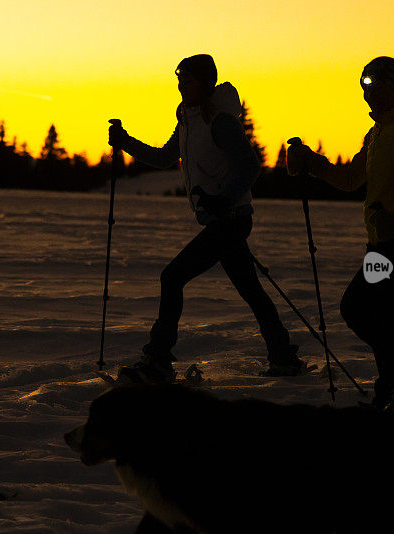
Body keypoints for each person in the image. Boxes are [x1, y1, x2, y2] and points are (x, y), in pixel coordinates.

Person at [108, 54, 302, 383]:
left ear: (204, 82)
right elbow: (164, 157)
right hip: (220, 219)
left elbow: (250, 165)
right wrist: (125, 142)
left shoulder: (220, 120)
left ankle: (157, 360)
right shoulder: (189, 117)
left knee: (172, 277)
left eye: (187, 80)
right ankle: (283, 357)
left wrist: (224, 199)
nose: (181, 86)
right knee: (251, 290)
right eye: (179, 80)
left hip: (232, 218)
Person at [287, 56, 394, 414]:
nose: (370, 96)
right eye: (367, 90)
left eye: (377, 88)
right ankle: (392, 392)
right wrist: (311, 162)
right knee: (382, 318)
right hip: (382, 241)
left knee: (356, 309)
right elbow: (350, 179)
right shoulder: (376, 134)